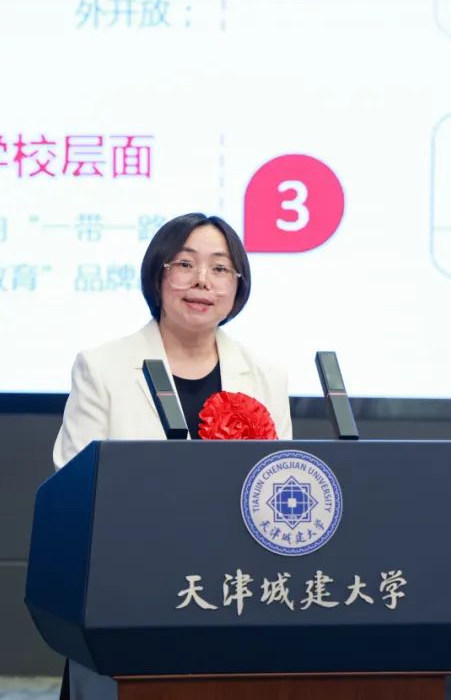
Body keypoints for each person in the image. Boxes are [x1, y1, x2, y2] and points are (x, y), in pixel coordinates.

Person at [51, 212, 293, 699]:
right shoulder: (103, 367)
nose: (202, 280)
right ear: (157, 275)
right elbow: (74, 485)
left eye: (220, 268)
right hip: (130, 593)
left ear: (237, 286)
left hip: (235, 594)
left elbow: (279, 488)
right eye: (185, 264)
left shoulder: (266, 374)